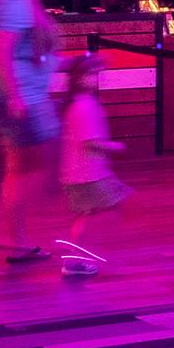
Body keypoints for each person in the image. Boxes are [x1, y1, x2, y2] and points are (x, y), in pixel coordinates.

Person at [0, 0, 60, 264]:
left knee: (22, 169)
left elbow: (33, 54)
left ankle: (16, 240)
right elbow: (2, 52)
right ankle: (6, 231)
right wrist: (16, 95)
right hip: (20, 97)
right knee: (41, 168)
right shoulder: (17, 3)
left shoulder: (26, 1)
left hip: (25, 94)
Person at [50, 49, 124, 277]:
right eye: (91, 75)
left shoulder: (79, 103)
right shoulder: (84, 106)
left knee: (90, 213)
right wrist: (114, 146)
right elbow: (91, 142)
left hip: (82, 173)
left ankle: (76, 258)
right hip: (87, 174)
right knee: (101, 212)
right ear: (78, 78)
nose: (96, 79)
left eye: (96, 74)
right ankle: (75, 260)